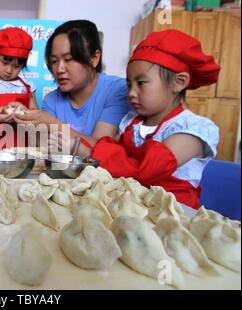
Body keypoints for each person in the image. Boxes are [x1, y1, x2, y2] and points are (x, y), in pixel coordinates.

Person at [68, 29, 221, 209]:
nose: (131, 93)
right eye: (129, 84)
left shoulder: (191, 130)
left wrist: (82, 150)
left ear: (179, 82)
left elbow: (146, 170)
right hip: (133, 206)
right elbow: (112, 151)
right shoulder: (132, 123)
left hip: (173, 214)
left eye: (141, 83)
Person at [13, 20, 130, 153]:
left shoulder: (116, 90)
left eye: (68, 59)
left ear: (94, 58)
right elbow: (46, 146)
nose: (59, 69)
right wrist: (23, 115)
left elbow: (102, 149)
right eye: (54, 61)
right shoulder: (52, 100)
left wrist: (51, 123)